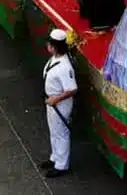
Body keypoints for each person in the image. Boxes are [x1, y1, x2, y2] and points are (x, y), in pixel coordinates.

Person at [41, 28, 77, 179]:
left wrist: (56, 99)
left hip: (59, 104)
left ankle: (62, 165)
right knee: (54, 131)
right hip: (51, 101)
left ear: (55, 47)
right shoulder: (56, 58)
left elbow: (72, 89)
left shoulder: (64, 66)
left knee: (61, 133)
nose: (48, 46)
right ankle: (54, 157)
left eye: (50, 44)